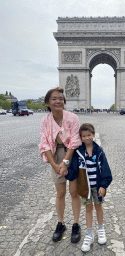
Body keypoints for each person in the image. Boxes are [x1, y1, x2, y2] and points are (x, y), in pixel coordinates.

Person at [39, 87, 82, 243]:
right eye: (54, 98)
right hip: (55, 155)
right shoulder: (45, 120)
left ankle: (76, 224)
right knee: (60, 193)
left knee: (74, 192)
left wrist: (64, 162)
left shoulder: (73, 118)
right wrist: (55, 165)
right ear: (47, 102)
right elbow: (44, 144)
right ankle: (61, 223)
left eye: (61, 98)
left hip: (73, 155)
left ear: (64, 101)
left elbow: (75, 142)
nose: (58, 101)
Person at [66, 123, 112, 252]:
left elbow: (105, 169)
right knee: (88, 209)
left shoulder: (100, 151)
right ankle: (90, 234)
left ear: (93, 135)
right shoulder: (78, 152)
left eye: (89, 135)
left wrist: (104, 185)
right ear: (80, 138)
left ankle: (101, 229)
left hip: (97, 186)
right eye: (83, 136)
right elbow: (74, 170)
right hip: (85, 188)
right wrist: (67, 173)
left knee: (98, 207)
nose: (86, 138)